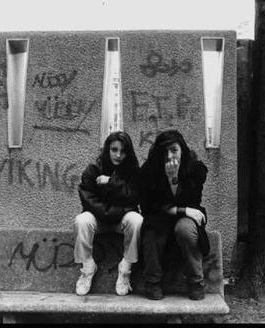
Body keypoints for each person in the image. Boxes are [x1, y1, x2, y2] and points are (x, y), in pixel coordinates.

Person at [139, 129, 210, 301]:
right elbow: (149, 207)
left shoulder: (195, 169)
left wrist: (176, 180)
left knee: (185, 229)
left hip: (187, 219)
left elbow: (193, 201)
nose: (170, 156)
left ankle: (196, 282)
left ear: (182, 149)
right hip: (161, 218)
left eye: (174, 150)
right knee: (152, 230)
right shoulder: (149, 171)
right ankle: (153, 282)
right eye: (165, 152)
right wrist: (171, 181)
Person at [73, 131, 142, 296]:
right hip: (99, 220)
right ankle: (88, 268)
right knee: (81, 220)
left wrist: (111, 183)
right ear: (107, 149)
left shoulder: (133, 172)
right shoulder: (93, 170)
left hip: (121, 222)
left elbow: (134, 197)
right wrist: (108, 212)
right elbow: (88, 199)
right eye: (114, 149)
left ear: (128, 152)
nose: (118, 155)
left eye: (123, 151)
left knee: (137, 220)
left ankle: (125, 269)